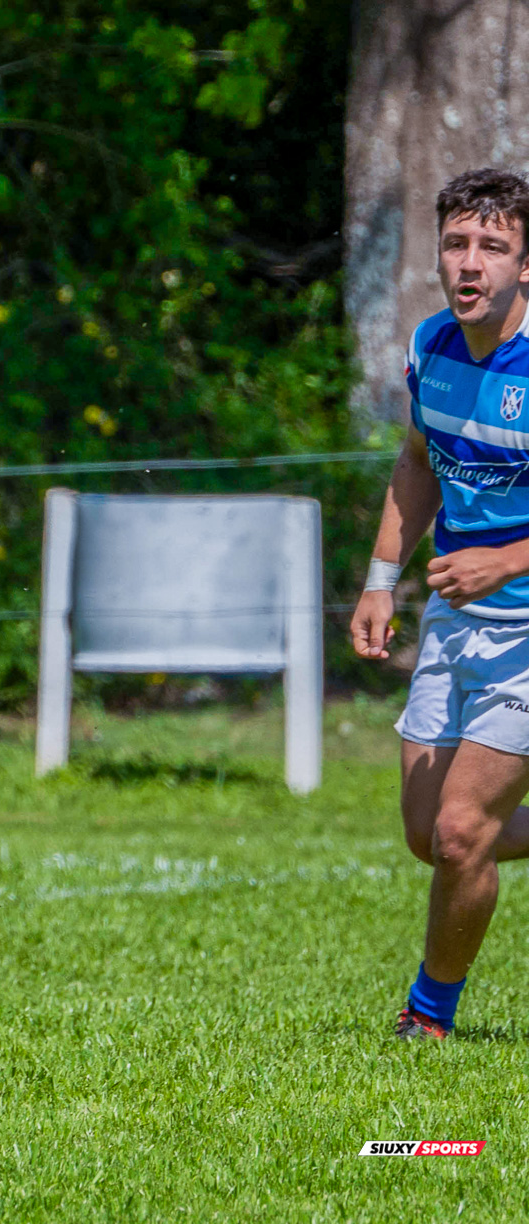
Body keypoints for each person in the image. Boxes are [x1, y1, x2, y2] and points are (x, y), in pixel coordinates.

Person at [350, 167, 529, 1040]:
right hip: (455, 622)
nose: (471, 263)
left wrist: (507, 560)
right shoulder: (432, 345)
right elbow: (418, 464)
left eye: (493, 247)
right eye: (457, 244)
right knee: (428, 834)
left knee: (463, 833)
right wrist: (383, 578)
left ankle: (428, 1019)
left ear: (527, 264)